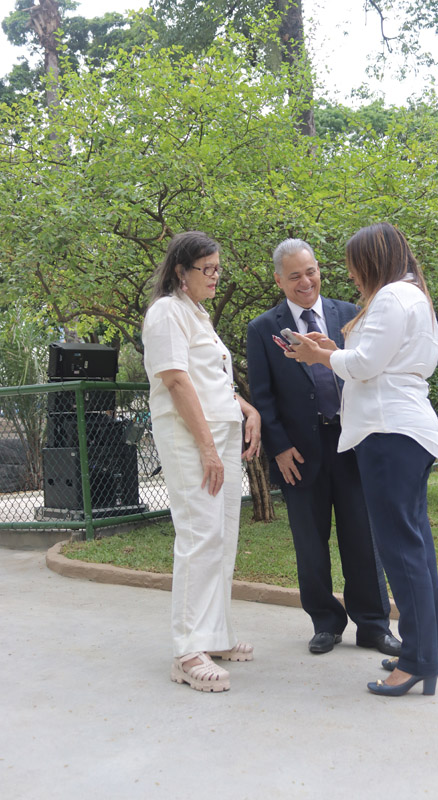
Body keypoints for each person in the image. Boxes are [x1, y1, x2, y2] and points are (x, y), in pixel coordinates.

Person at [285, 223, 438, 696]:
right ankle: (425, 651)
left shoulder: (391, 297)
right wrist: (336, 352)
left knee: (401, 552)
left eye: (354, 266)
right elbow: (379, 360)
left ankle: (416, 661)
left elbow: (365, 365)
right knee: (416, 550)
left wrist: (320, 357)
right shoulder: (413, 296)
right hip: (405, 432)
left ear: (372, 261)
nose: (352, 276)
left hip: (389, 433)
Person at [247, 238, 400, 657]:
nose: (306, 281)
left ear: (319, 270)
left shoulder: (350, 315)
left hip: (352, 444)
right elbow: (263, 395)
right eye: (295, 275)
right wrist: (279, 447)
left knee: (363, 539)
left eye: (311, 271)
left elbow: (368, 374)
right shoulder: (262, 329)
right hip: (298, 454)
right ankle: (325, 623)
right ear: (279, 280)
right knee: (310, 544)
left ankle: (373, 625)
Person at [143, 231, 261, 693]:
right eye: (206, 269)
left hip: (221, 429)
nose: (215, 277)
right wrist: (207, 447)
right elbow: (176, 381)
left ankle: (215, 634)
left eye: (217, 268)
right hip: (191, 437)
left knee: (222, 535)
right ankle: (188, 651)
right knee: (199, 536)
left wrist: (245, 408)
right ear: (181, 271)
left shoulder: (197, 314)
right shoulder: (166, 312)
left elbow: (210, 379)